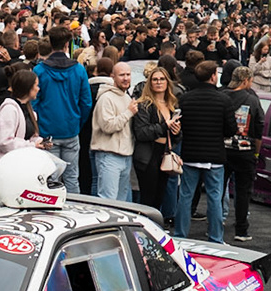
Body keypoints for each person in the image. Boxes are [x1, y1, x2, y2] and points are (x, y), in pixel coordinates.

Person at [174, 60, 234, 241]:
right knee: (214, 197)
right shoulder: (224, 100)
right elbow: (230, 129)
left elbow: (181, 126)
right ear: (213, 76)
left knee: (185, 196)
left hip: (190, 154)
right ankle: (216, 237)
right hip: (214, 156)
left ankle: (180, 235)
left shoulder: (185, 99)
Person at [33, 30, 92, 193]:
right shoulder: (79, 70)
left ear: (50, 44)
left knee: (50, 180)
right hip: (70, 130)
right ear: (67, 44)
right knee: (72, 178)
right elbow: (86, 103)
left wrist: (38, 127)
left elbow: (34, 103)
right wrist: (77, 122)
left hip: (47, 132)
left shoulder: (39, 70)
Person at [133, 64, 181, 221]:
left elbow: (175, 136)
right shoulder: (144, 105)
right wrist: (164, 126)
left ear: (167, 82)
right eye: (155, 79)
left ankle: (155, 228)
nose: (159, 82)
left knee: (160, 196)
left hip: (164, 153)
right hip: (148, 156)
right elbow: (141, 133)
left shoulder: (172, 105)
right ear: (150, 83)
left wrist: (176, 132)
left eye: (162, 79)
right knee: (148, 199)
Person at [223, 66, 264, 241]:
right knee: (243, 192)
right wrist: (256, 154)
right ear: (246, 80)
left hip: (222, 150)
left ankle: (215, 226)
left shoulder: (222, 96)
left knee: (218, 190)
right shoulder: (252, 100)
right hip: (245, 151)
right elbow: (259, 129)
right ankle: (241, 230)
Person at [90, 61, 137, 202]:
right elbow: (108, 126)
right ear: (113, 77)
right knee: (108, 201)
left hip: (126, 155)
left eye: (128, 74)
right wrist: (129, 113)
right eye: (121, 75)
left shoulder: (127, 97)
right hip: (109, 155)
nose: (126, 78)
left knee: (121, 203)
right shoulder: (106, 98)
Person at [0, 66, 45, 171]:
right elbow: (4, 142)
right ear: (28, 87)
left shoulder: (27, 108)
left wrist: (39, 141)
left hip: (21, 163)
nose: (38, 89)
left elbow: (27, 136)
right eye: (36, 85)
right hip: (8, 166)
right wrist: (31, 145)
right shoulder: (9, 109)